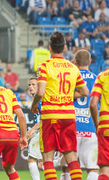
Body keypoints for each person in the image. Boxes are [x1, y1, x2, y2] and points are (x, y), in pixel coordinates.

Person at [30, 32, 89, 180]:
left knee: (48, 158)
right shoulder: (73, 68)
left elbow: (40, 92)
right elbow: (85, 91)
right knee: (71, 157)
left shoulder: (44, 66)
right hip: (68, 116)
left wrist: (34, 104)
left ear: (50, 48)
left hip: (50, 115)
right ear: (64, 47)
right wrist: (68, 95)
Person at [59, 50, 99, 180]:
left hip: (71, 127)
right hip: (90, 127)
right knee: (92, 168)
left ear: (74, 61)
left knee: (67, 167)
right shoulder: (97, 79)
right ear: (90, 62)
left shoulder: (69, 79)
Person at [90, 57, 109, 180]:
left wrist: (97, 124)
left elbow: (92, 104)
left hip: (105, 125)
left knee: (104, 168)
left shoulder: (102, 76)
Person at [26, 77, 43, 180]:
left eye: (33, 85)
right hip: (43, 131)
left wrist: (32, 130)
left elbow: (45, 119)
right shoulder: (36, 99)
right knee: (41, 164)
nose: (30, 87)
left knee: (31, 159)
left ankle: (59, 163)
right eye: (29, 85)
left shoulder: (40, 99)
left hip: (43, 132)